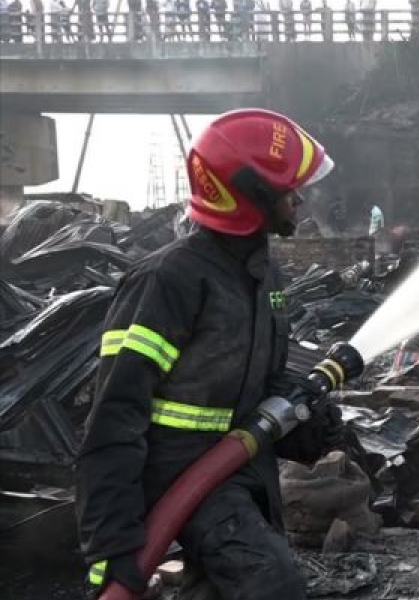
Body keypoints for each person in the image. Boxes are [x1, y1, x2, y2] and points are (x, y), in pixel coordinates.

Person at [76, 109, 342, 600]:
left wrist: (308, 426)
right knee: (273, 586)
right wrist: (111, 547)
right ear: (252, 195)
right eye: (289, 189)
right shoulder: (169, 280)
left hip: (241, 471)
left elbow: (256, 389)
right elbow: (114, 415)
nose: (300, 199)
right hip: (181, 475)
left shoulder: (262, 275)